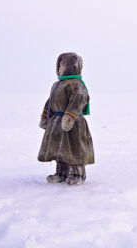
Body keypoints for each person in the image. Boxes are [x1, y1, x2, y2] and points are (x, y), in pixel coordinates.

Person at [38, 52, 94, 185]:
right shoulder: (57, 85)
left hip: (72, 123)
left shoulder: (76, 84)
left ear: (71, 66)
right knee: (60, 150)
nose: (59, 68)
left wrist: (69, 117)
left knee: (74, 149)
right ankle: (61, 173)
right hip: (56, 122)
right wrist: (45, 117)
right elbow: (50, 102)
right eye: (58, 65)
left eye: (62, 65)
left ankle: (78, 175)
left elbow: (79, 100)